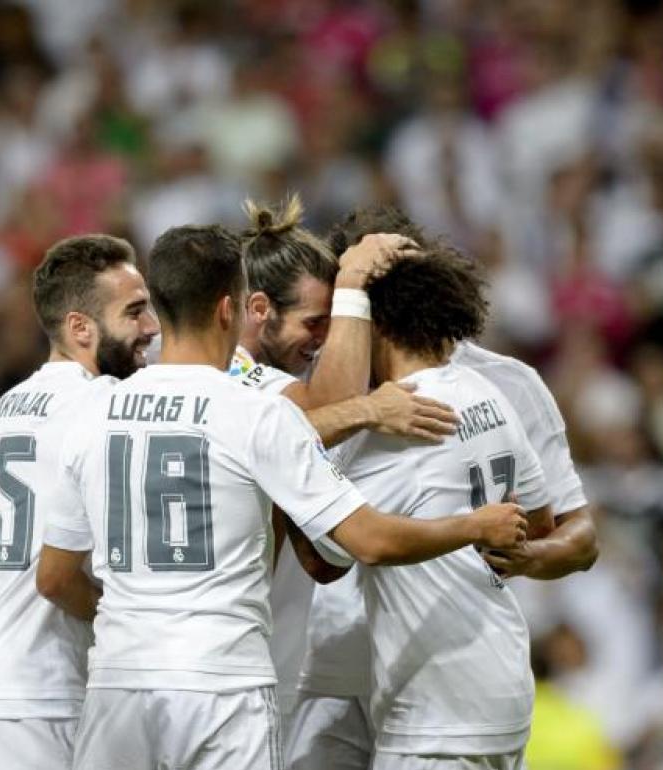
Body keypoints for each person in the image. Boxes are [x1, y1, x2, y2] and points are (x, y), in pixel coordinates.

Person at [36, 223, 528, 770]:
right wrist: (476, 525)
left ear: (160, 309)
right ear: (231, 309)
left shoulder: (93, 411)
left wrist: (138, 623)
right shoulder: (256, 413)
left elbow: (55, 573)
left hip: (118, 683)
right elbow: (369, 540)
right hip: (222, 687)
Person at [283, 208, 599, 770]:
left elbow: (328, 556)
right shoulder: (484, 392)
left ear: (371, 312)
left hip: (433, 696)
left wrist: (282, 464)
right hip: (455, 671)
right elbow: (537, 517)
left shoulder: (406, 410)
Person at [232, 196, 460, 727]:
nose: (324, 340)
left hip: (252, 663)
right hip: (231, 675)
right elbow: (321, 415)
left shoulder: (251, 381)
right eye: (315, 322)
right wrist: (354, 282)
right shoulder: (236, 379)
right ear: (260, 309)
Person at [0, 234, 159, 770]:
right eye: (134, 312)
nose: (151, 327)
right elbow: (57, 578)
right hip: (42, 691)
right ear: (80, 328)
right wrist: (124, 623)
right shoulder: (108, 404)